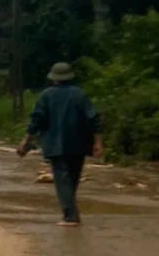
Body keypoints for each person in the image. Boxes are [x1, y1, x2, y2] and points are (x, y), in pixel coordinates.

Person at [17, 62, 103, 227]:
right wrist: (98, 142)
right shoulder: (80, 95)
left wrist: (26, 140)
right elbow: (93, 119)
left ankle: (71, 217)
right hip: (79, 144)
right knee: (72, 178)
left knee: (62, 180)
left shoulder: (46, 95)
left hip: (55, 144)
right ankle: (71, 212)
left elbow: (37, 119)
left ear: (54, 78)